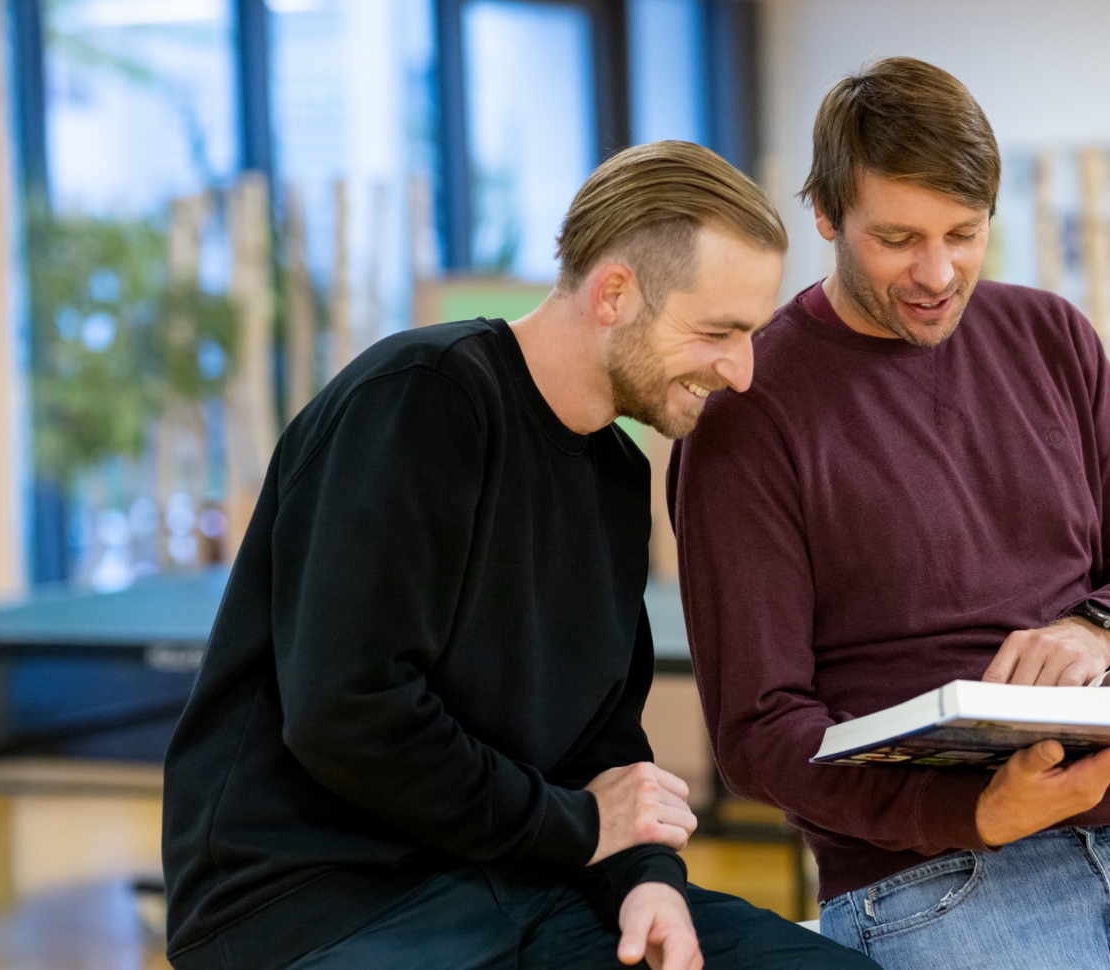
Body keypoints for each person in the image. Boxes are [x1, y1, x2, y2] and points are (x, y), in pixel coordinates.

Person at [162, 140, 878, 970]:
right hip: (316, 904)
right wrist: (578, 826)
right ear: (614, 293)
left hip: (519, 881)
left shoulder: (616, 476)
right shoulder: (420, 402)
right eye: (719, 331)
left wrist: (644, 879)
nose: (743, 371)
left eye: (750, 332)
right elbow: (349, 713)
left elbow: (600, 743)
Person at [670, 59, 1110, 970]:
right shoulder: (750, 412)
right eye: (898, 239)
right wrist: (972, 812)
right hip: (929, 883)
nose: (937, 273)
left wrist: (1096, 628)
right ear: (825, 214)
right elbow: (758, 732)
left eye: (965, 233)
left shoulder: (1052, 337)